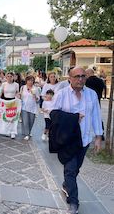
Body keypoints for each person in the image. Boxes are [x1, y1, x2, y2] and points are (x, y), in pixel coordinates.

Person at [52, 67, 102, 214]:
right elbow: (53, 114)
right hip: (68, 140)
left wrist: (98, 137)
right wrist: (72, 118)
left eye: (83, 76)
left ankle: (67, 185)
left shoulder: (92, 94)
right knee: (70, 169)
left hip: (85, 140)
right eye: (77, 76)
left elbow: (96, 116)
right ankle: (73, 202)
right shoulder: (61, 94)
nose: (80, 79)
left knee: (75, 169)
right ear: (70, 78)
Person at [20, 75, 40, 141]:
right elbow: (20, 96)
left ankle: (29, 131)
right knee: (25, 121)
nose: (30, 82)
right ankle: (27, 134)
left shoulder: (36, 89)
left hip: (33, 107)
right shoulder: (23, 87)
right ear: (26, 81)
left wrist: (35, 96)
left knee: (31, 121)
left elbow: (38, 100)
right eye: (29, 80)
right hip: (24, 107)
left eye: (32, 80)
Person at [1, 72, 20, 139]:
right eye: (8, 76)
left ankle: (13, 132)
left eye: (10, 76)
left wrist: (18, 99)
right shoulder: (4, 84)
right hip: (5, 101)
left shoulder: (16, 84)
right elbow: (1, 93)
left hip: (13, 101)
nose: (9, 78)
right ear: (6, 77)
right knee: (6, 117)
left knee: (13, 116)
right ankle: (7, 130)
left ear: (13, 77)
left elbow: (17, 93)